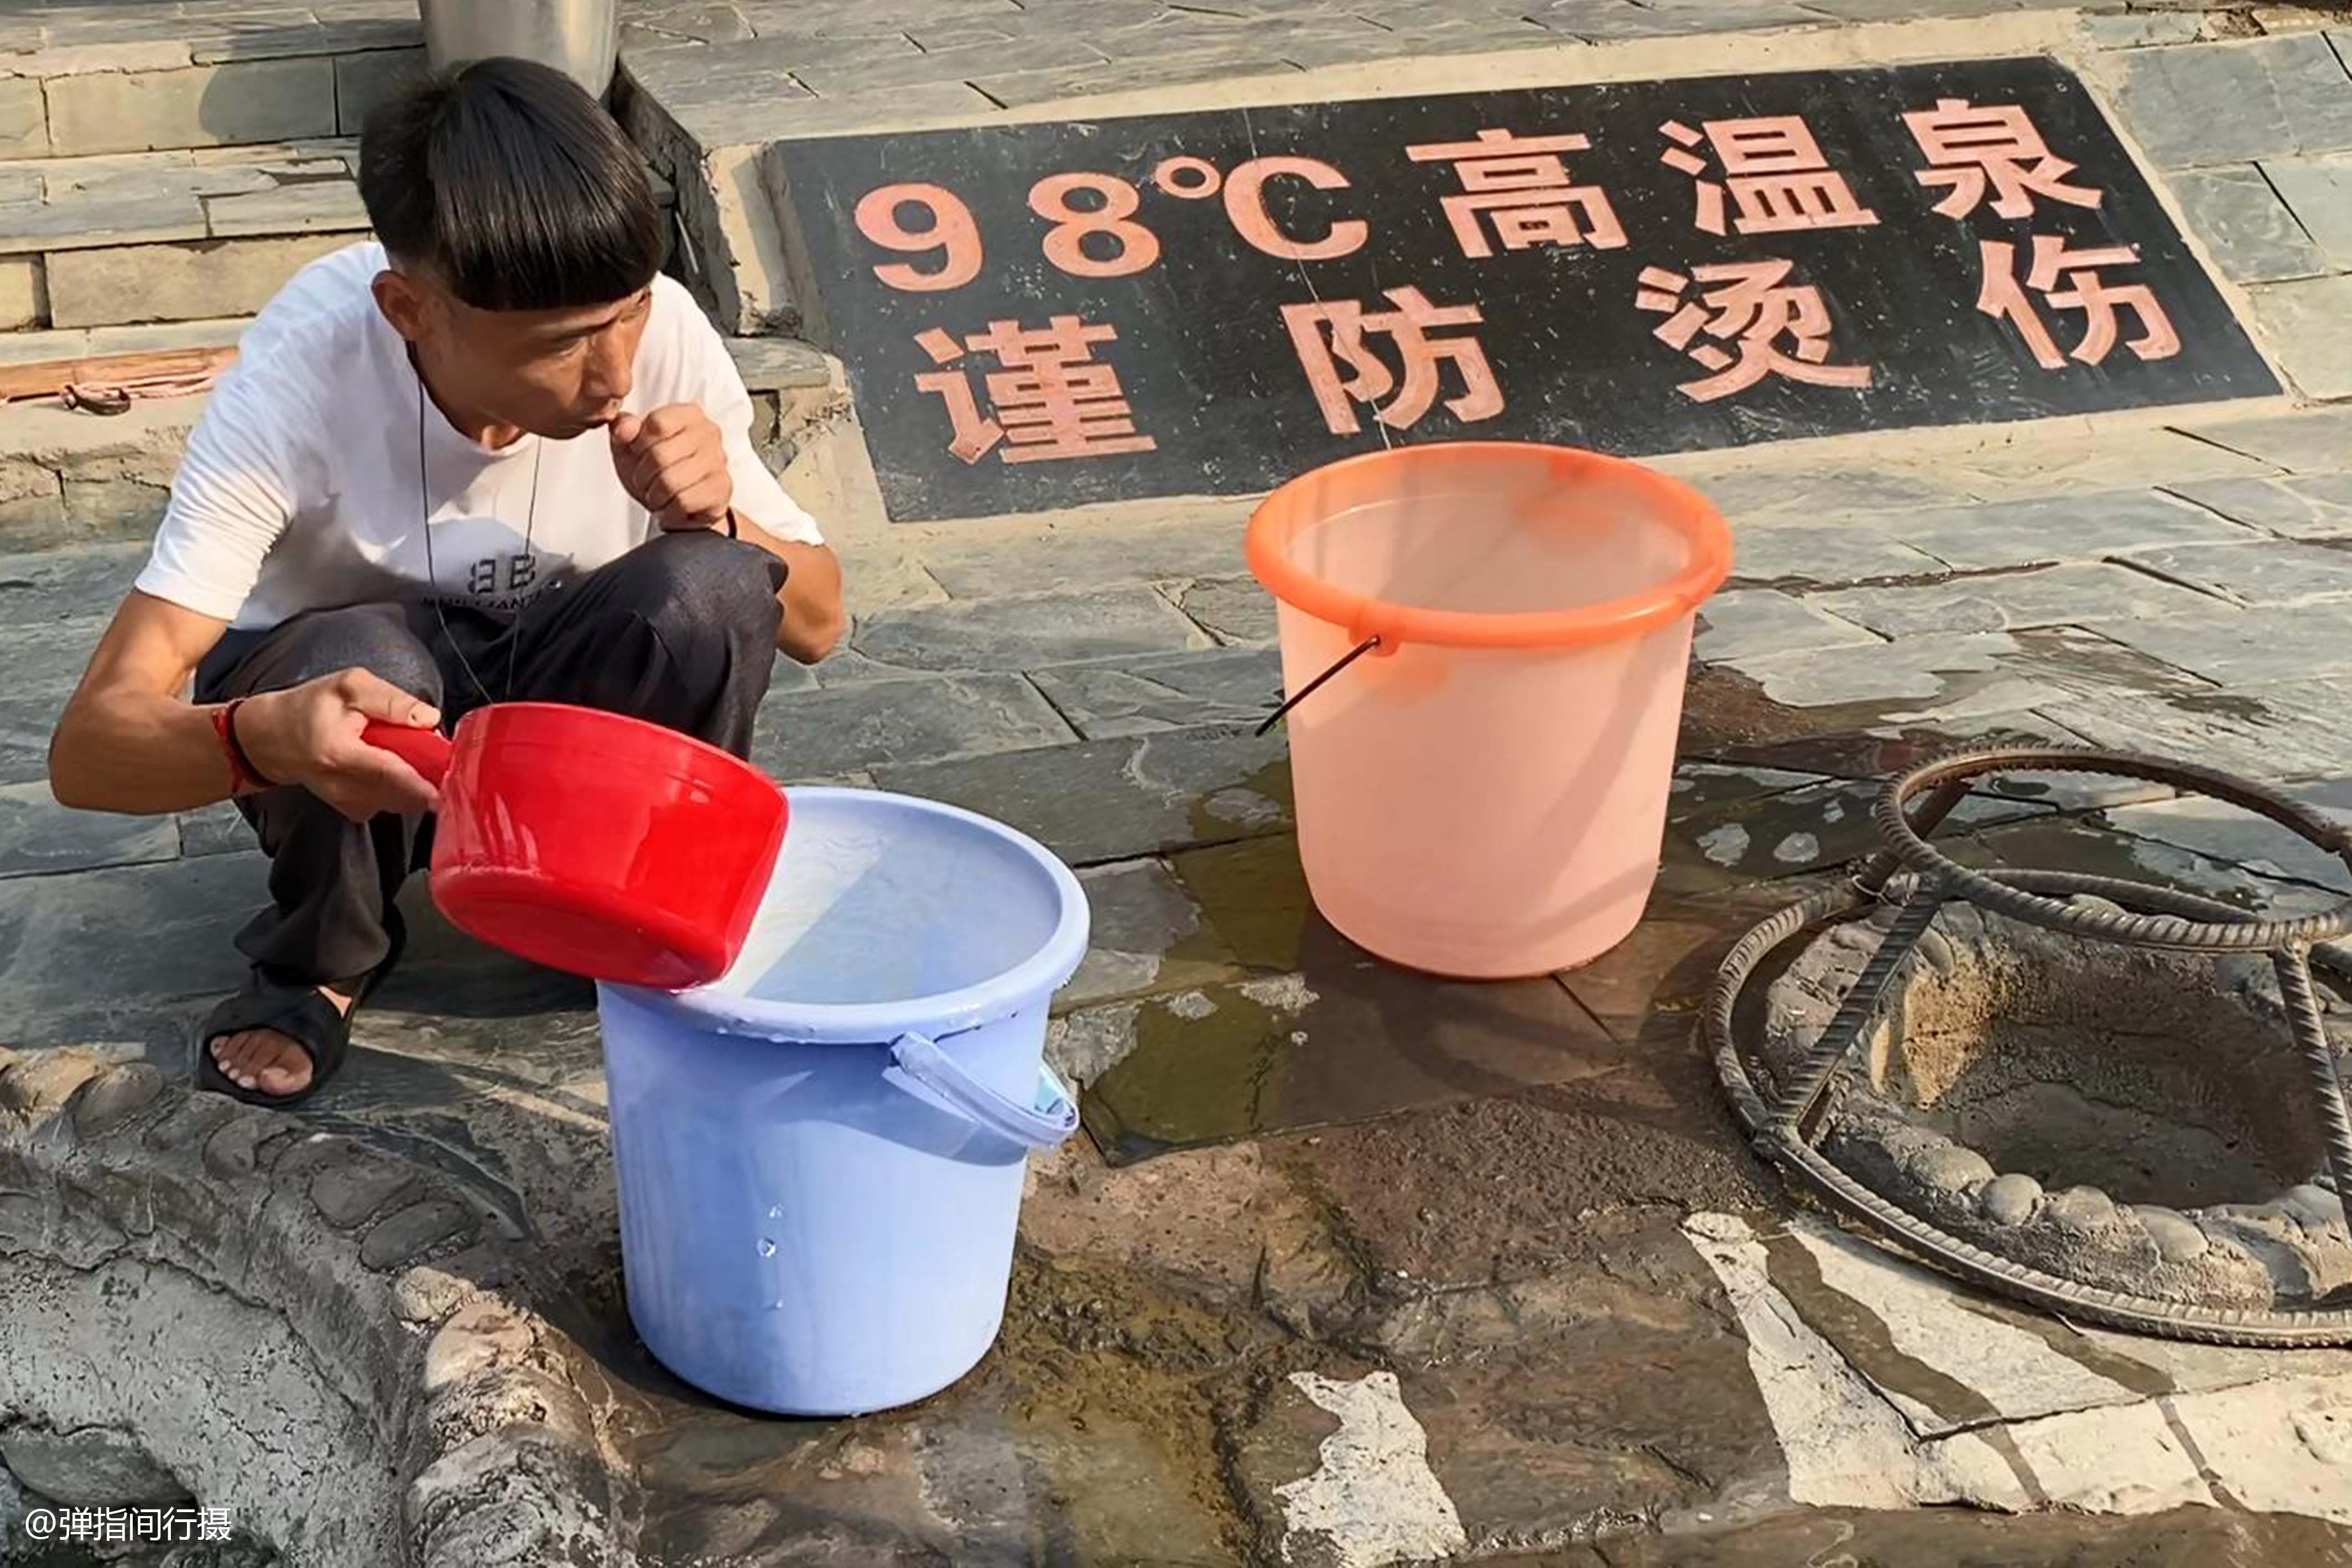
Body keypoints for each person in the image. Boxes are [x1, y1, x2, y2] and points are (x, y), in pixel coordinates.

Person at [46, 56, 846, 1107]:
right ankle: (324, 957)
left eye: (629, 316)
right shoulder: (301, 376)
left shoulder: (663, 338)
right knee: (350, 657)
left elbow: (822, 622)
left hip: (554, 697)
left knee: (713, 584)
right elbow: (90, 751)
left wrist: (719, 516)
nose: (613, 374)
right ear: (408, 308)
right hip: (362, 716)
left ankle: (616, 900)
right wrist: (262, 738)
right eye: (560, 347)